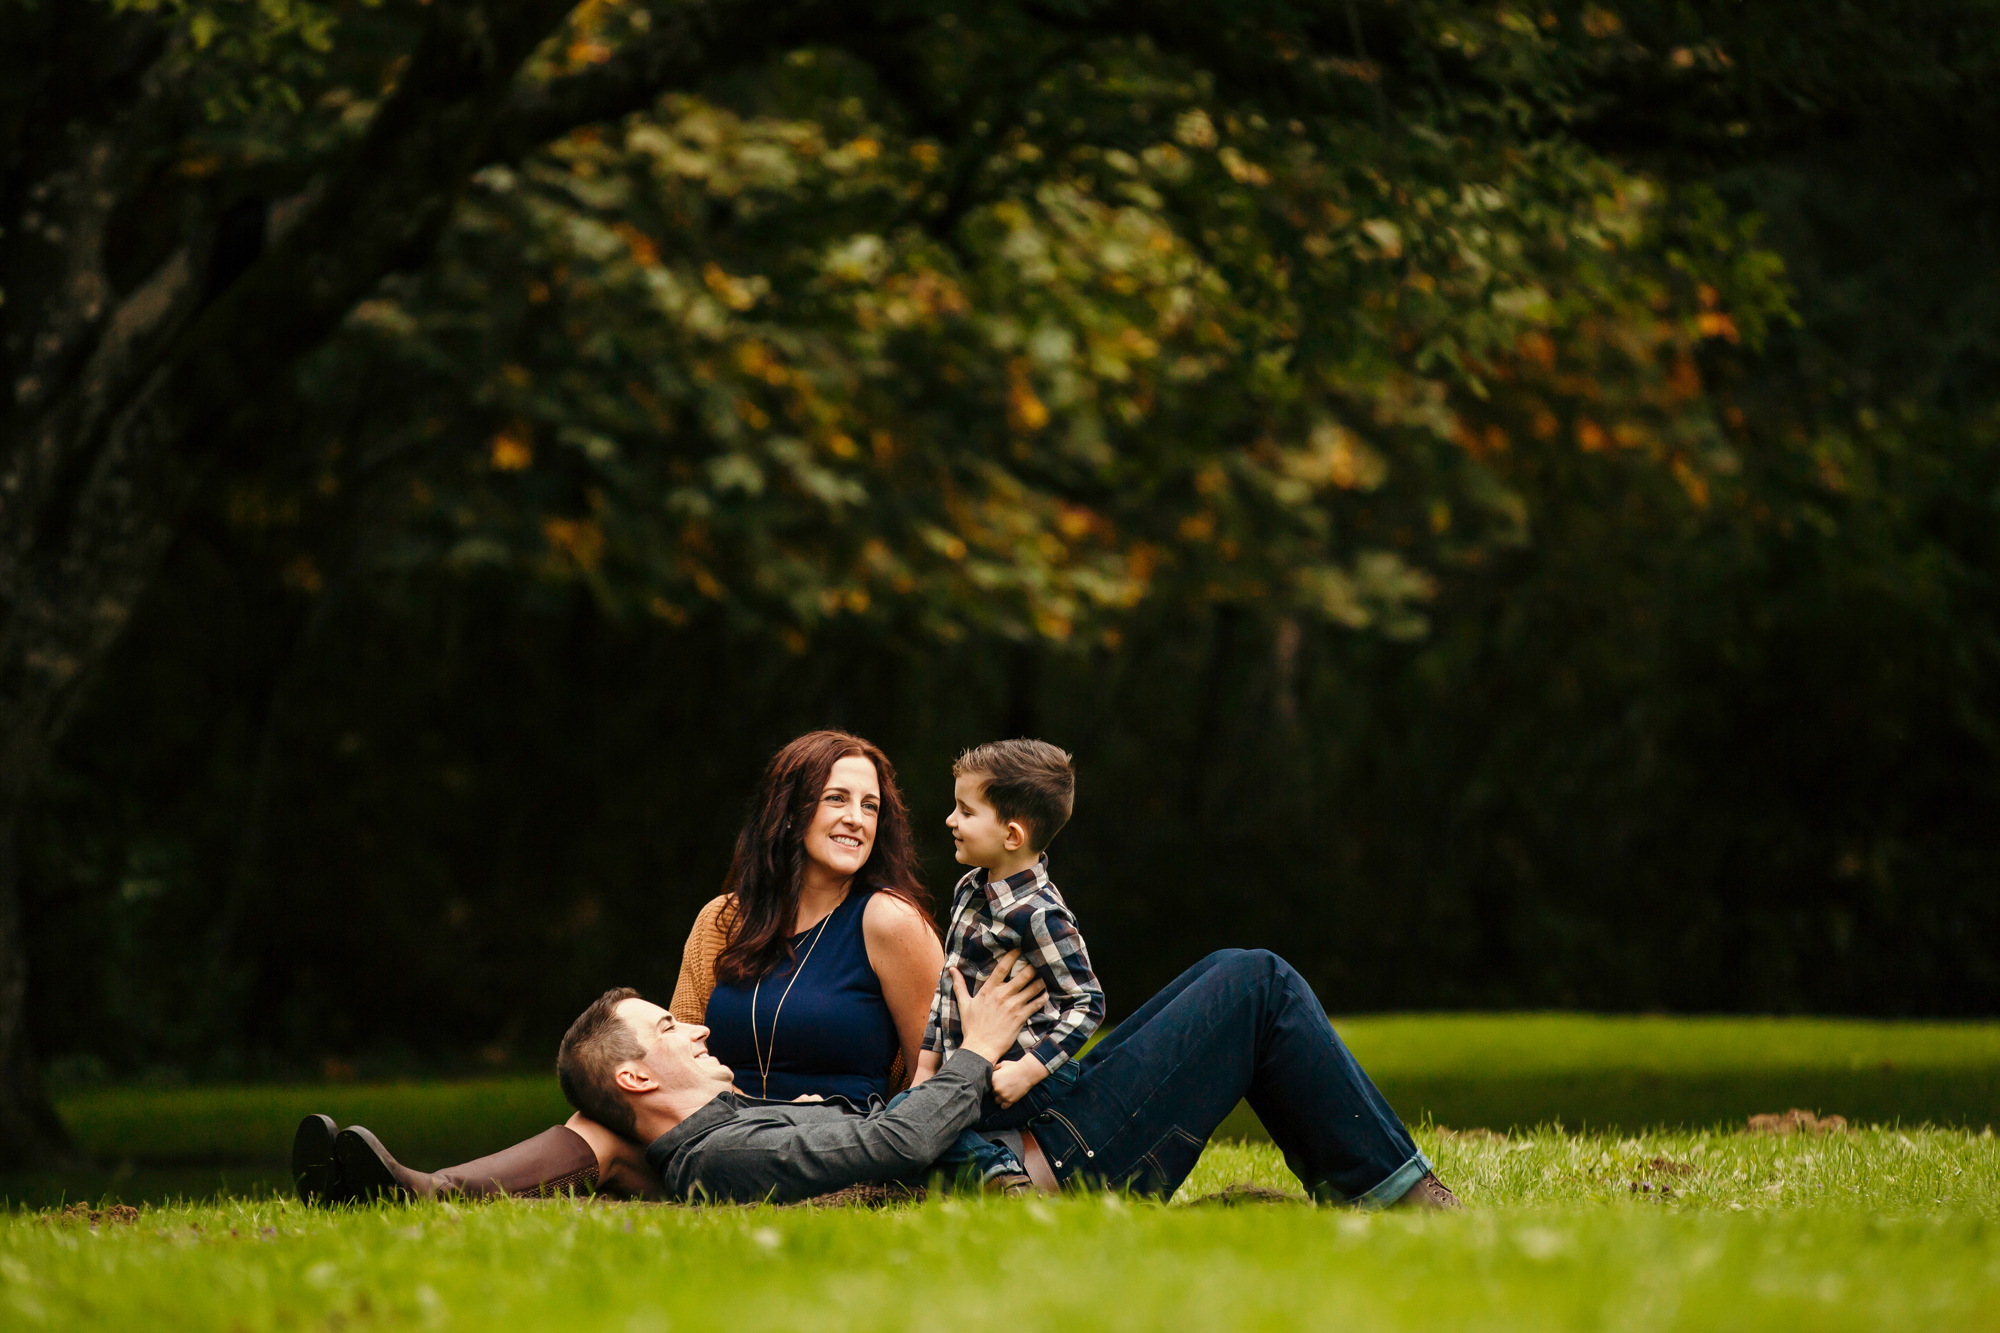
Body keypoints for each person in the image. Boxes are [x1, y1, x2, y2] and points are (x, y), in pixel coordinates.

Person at [292, 730, 944, 1203]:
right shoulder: (724, 919)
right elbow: (676, 1051)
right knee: (596, 1125)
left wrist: (837, 1123)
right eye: (838, 799)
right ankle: (418, 1189)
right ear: (791, 808)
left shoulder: (888, 921)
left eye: (870, 806)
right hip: (721, 1136)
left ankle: (422, 1192)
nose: (856, 819)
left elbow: (933, 1067)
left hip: (833, 1144)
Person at [532, 946, 1461, 1207]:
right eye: (665, 1026)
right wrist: (976, 1046)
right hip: (1053, 1165)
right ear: (635, 1079)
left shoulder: (730, 1125)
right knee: (1252, 983)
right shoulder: (721, 1156)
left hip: (1024, 1131)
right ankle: (1403, 1196)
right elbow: (893, 1142)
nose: (691, 1024)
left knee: (1228, 984)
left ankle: (1363, 1183)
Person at [904, 739, 1104, 1193]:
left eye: (966, 812)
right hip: (969, 1072)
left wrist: (1028, 1070)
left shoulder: (1040, 914)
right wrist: (925, 1071)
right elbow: (947, 986)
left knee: (919, 1131)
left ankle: (1000, 1175)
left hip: (1022, 1076)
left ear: (1012, 836)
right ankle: (998, 1160)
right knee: (907, 1117)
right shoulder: (968, 889)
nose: (951, 820)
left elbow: (1087, 1002)